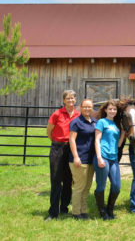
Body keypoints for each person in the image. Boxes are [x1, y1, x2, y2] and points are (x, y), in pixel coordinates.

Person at [45, 90, 80, 221]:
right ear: (63, 100)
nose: (70, 101)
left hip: (71, 149)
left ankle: (64, 208)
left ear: (75, 100)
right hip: (58, 148)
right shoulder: (57, 114)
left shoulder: (78, 115)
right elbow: (49, 131)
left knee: (68, 180)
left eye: (72, 99)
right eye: (68, 99)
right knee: (55, 180)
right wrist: (56, 143)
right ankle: (53, 212)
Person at [93, 99, 125, 220]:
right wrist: (99, 157)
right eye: (110, 109)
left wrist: (123, 131)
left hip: (114, 158)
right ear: (105, 110)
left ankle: (110, 209)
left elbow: (118, 144)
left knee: (116, 186)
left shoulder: (116, 125)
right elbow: (97, 140)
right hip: (103, 157)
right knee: (101, 186)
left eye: (115, 109)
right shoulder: (101, 122)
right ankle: (102, 212)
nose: (112, 111)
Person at [68, 99, 97, 220]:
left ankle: (83, 211)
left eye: (89, 107)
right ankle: (76, 212)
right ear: (80, 107)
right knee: (79, 187)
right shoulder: (76, 122)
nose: (87, 109)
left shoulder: (95, 122)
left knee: (87, 187)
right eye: (85, 107)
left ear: (92, 108)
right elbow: (72, 140)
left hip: (91, 159)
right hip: (80, 158)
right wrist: (76, 156)